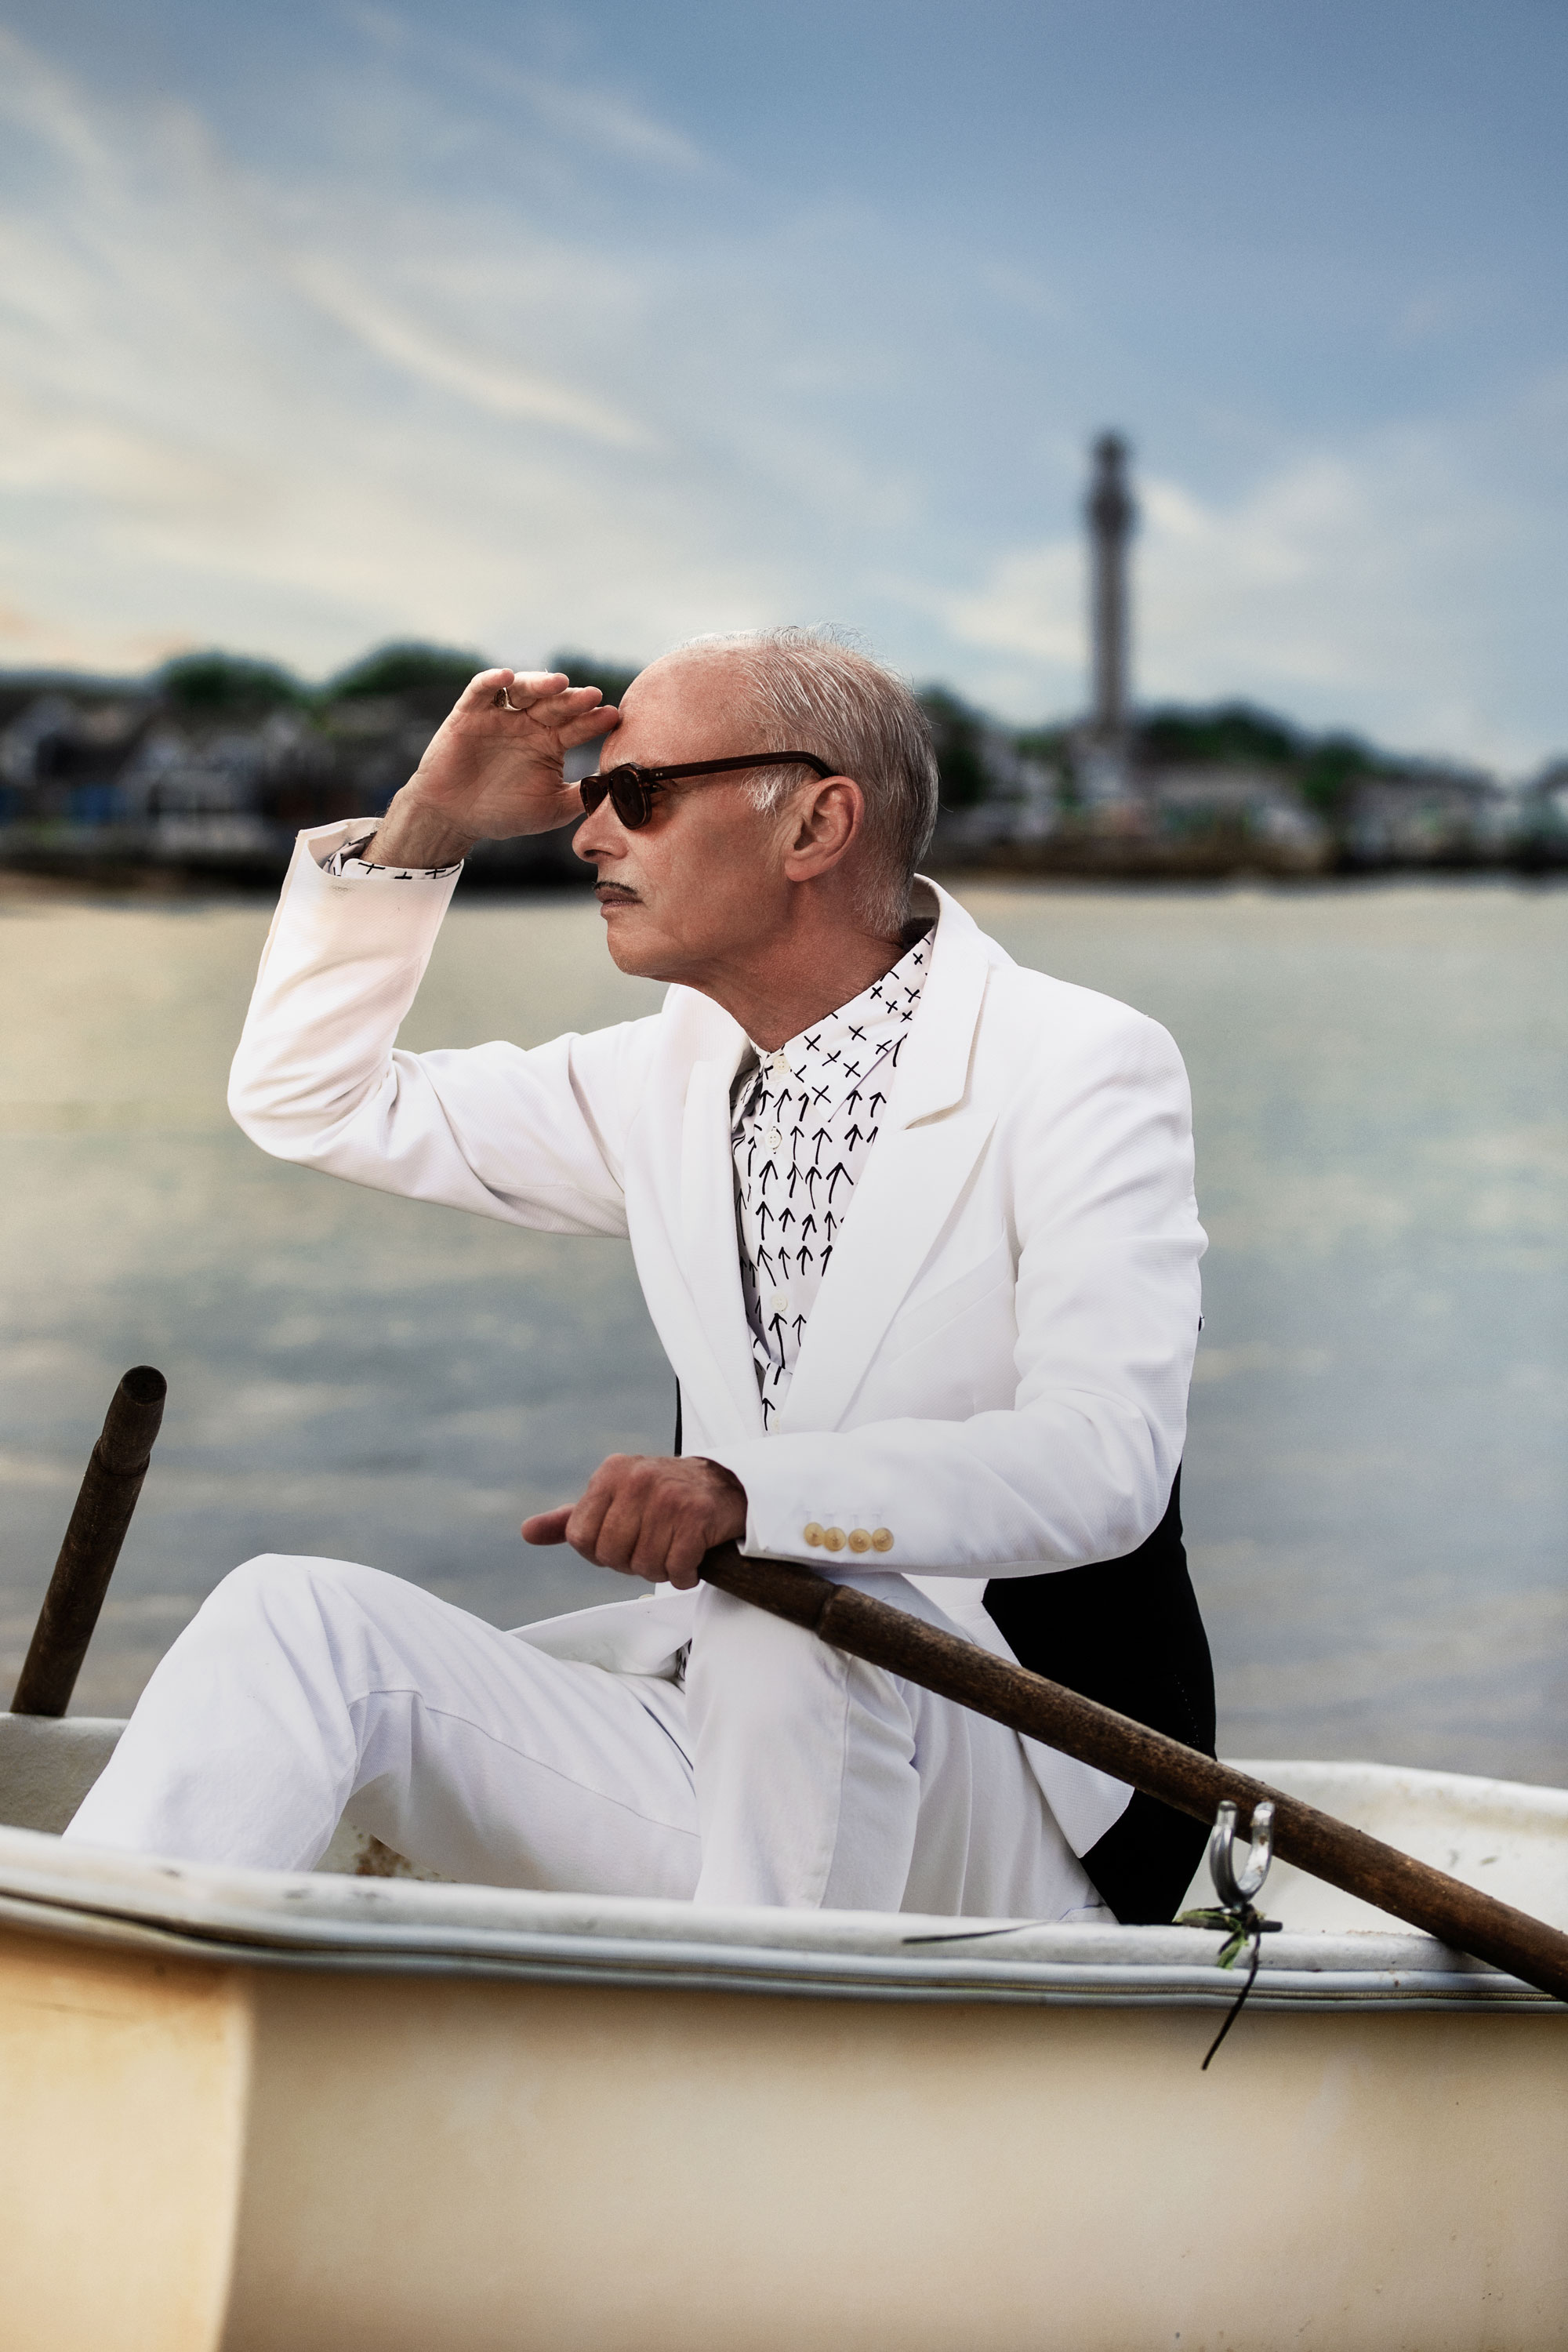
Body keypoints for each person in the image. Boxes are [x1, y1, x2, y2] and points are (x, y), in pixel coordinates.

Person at [67, 628, 1213, 1924]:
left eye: (640, 796)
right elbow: (310, 1102)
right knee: (292, 1624)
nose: (587, 839)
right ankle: (73, 2041)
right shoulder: (661, 1079)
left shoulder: (1079, 1064)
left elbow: (1105, 1459)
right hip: (717, 1735)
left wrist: (744, 1494)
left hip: (1022, 1791)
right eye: (597, 798)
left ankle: (751, 2083)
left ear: (817, 823)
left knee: (796, 1622)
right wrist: (427, 823)